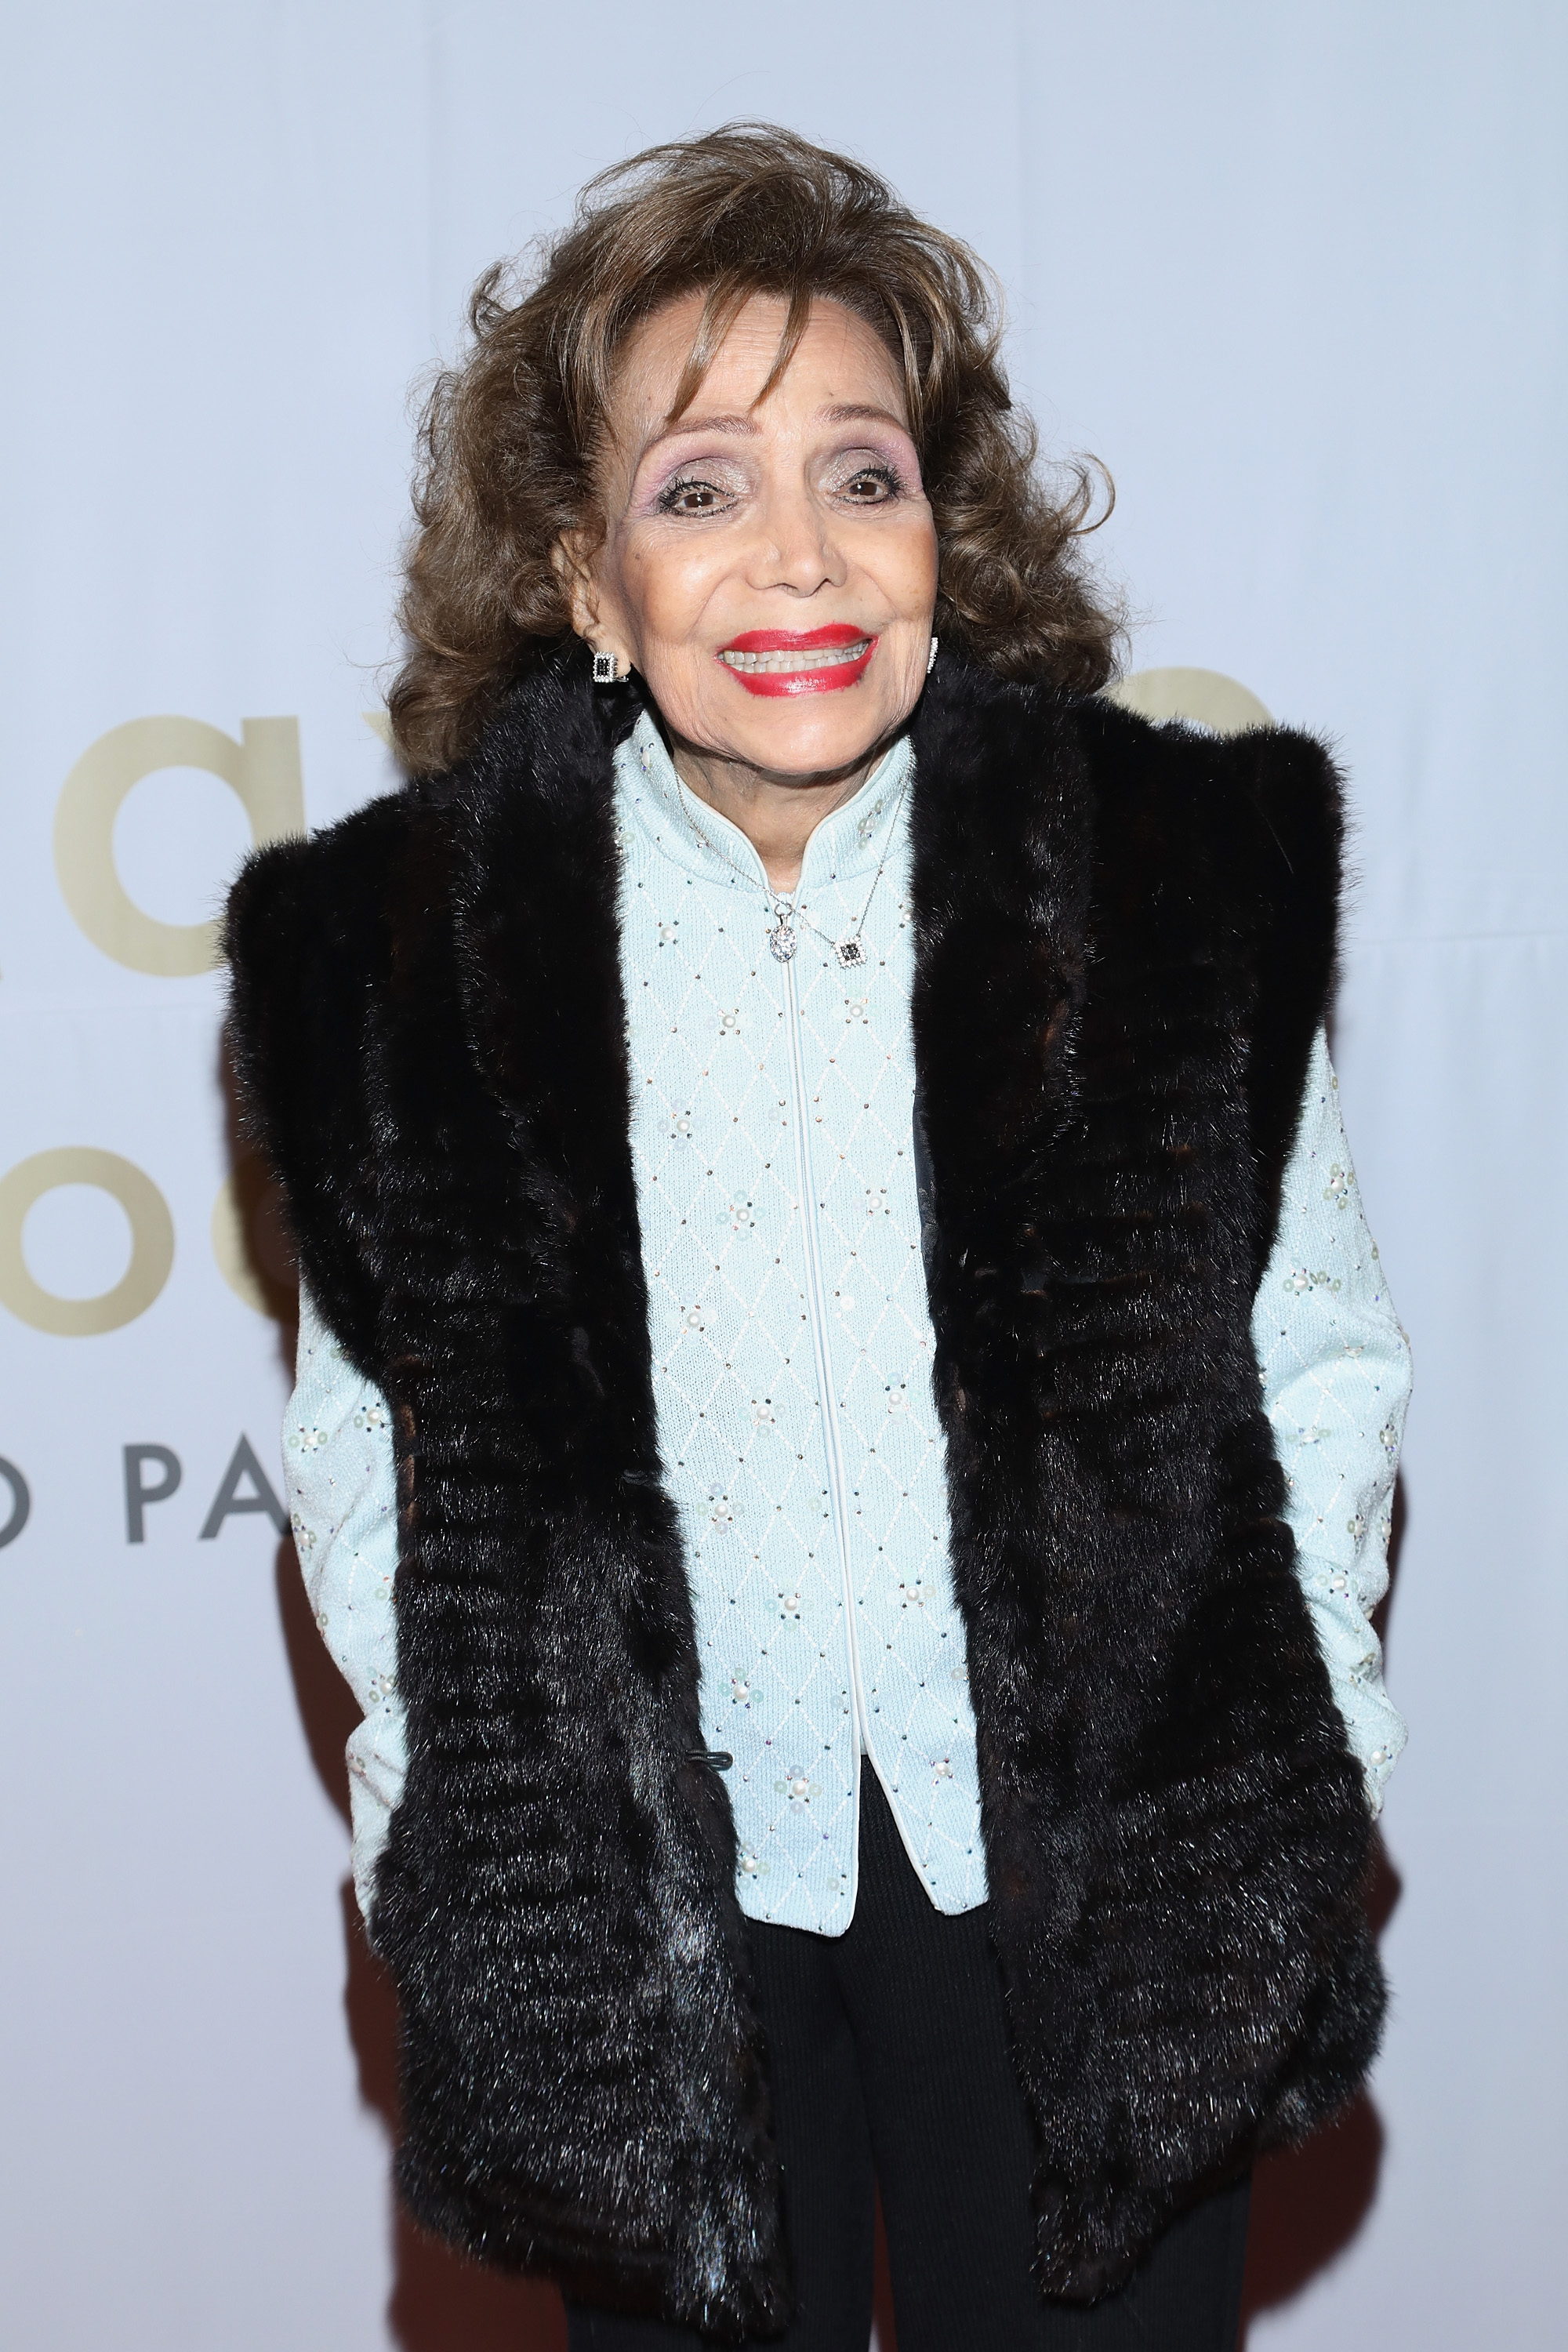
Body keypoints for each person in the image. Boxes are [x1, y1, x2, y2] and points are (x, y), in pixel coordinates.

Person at [226, 125, 1410, 2352]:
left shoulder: (1164, 880)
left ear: (941, 532)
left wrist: (1304, 1751)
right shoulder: (405, 967)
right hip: (656, 1917)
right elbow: (378, 1462)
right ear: (585, 576)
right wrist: (442, 1839)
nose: (799, 559)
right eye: (699, 490)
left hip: (1091, 1879)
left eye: (861, 475)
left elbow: (1317, 1353)